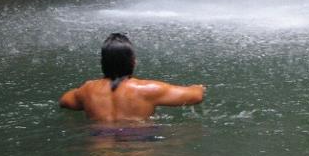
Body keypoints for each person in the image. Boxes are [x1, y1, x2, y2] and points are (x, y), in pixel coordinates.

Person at [60, 33, 205, 122]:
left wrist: (85, 93)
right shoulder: (147, 89)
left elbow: (64, 101)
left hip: (100, 141)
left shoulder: (87, 90)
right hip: (138, 141)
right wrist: (197, 87)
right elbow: (196, 96)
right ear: (133, 62)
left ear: (103, 63)